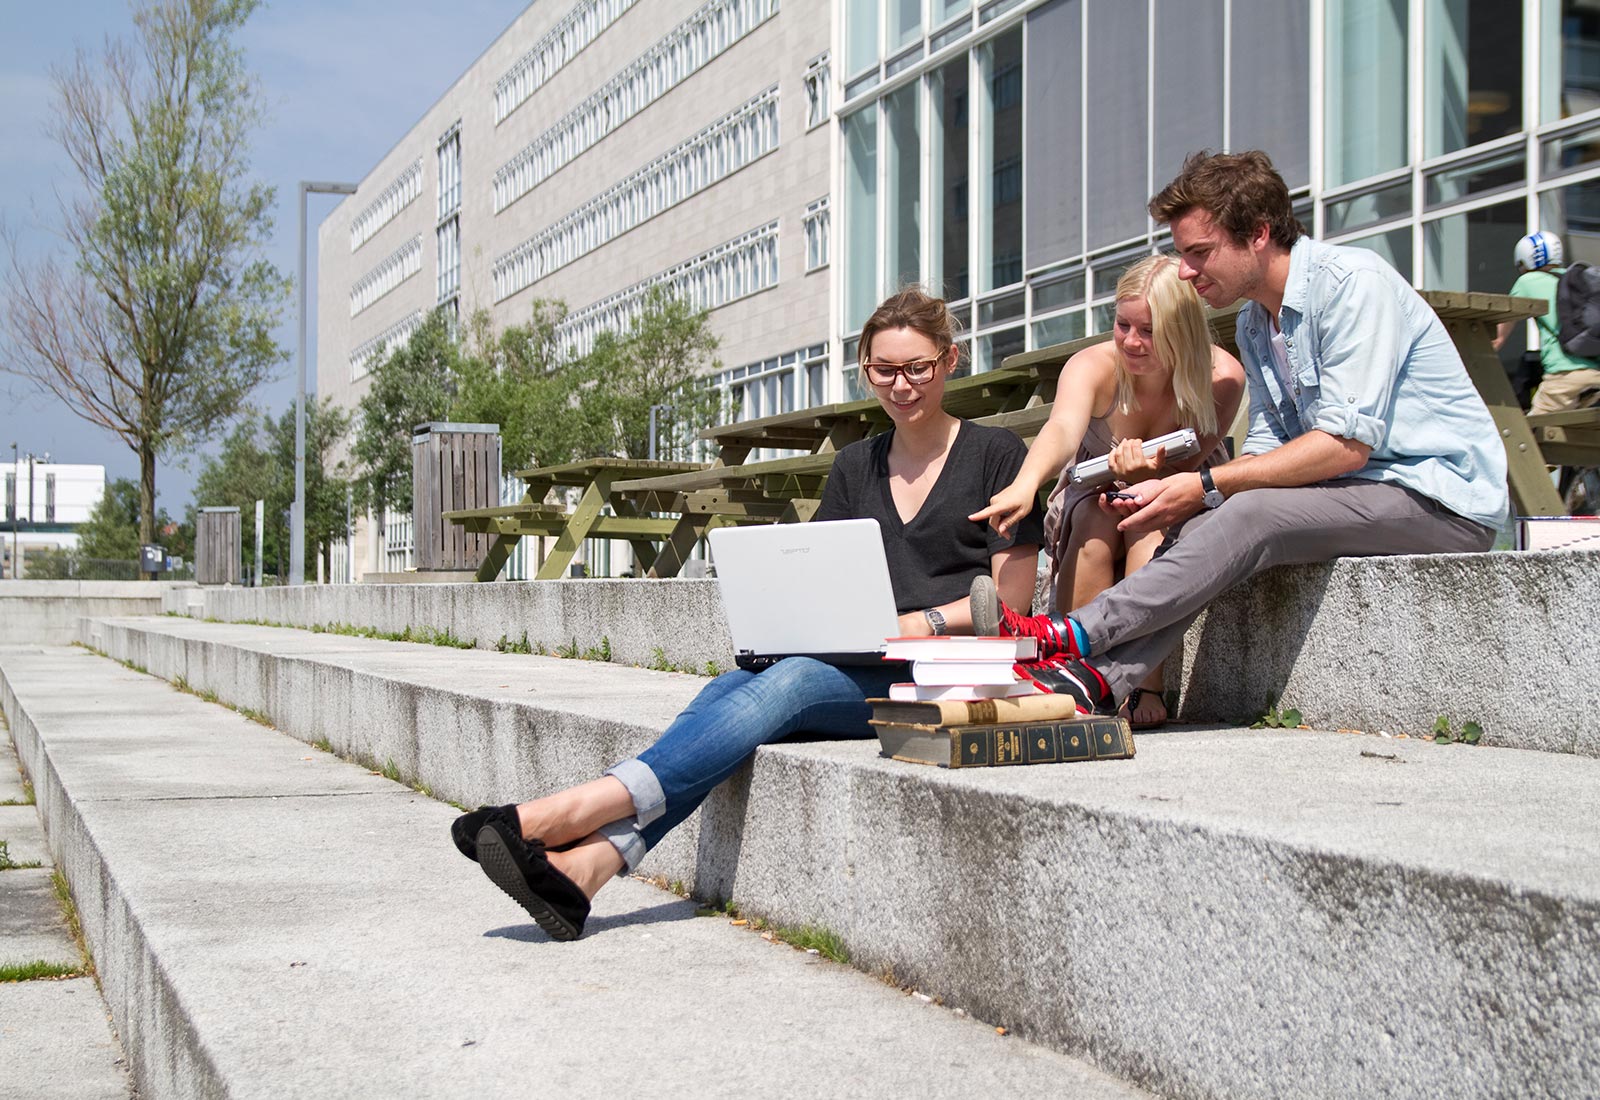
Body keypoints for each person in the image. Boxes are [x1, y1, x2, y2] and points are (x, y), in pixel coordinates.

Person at [450, 287, 1044, 940]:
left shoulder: (996, 456)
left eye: (917, 368)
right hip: (859, 658)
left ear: (950, 360)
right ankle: (582, 870)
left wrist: (920, 623)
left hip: (943, 673)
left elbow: (1011, 604)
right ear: (865, 370)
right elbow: (818, 573)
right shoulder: (856, 465)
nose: (901, 385)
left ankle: (564, 812)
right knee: (728, 689)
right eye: (883, 369)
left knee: (790, 682)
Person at [969, 150, 1507, 719]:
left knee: (1248, 512)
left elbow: (1345, 446)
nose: (1185, 271)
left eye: (1199, 252)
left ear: (1259, 235)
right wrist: (1189, 497)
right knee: (1199, 522)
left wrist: (1206, 484)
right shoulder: (1255, 322)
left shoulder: (1354, 286)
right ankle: (1093, 682)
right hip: (1352, 496)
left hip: (1437, 500)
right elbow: (1268, 448)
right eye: (1183, 254)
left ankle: (1070, 635)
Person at [970, 255, 1244, 729]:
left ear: (1182, 331)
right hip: (1091, 491)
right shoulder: (1094, 366)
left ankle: (1143, 683)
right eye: (1123, 325)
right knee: (1097, 523)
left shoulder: (1223, 377)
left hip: (1175, 490)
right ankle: (1073, 668)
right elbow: (1061, 430)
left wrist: (1144, 479)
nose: (1131, 341)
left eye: (1149, 331)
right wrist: (1025, 484)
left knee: (1146, 524)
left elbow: (1189, 467)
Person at [1492, 231, 1600, 415]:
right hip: (1596, 375)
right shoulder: (1576, 281)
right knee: (1573, 430)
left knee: (1530, 430)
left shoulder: (1528, 281)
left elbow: (1497, 338)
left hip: (1564, 377)